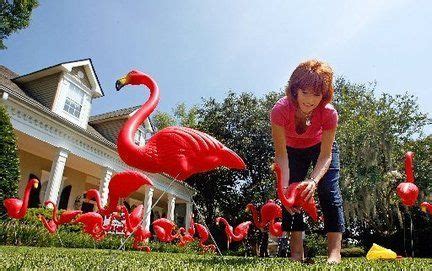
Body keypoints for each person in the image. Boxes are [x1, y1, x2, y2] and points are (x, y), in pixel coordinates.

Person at [270, 59, 345, 264]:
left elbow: (325, 156)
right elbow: (281, 155)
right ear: (295, 90)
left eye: (317, 94)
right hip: (291, 151)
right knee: (290, 195)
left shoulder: (329, 113)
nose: (310, 100)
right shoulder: (280, 111)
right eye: (305, 93)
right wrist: (285, 190)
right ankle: (296, 253)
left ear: (324, 94)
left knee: (328, 191)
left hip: (321, 149)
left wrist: (313, 181)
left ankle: (334, 253)